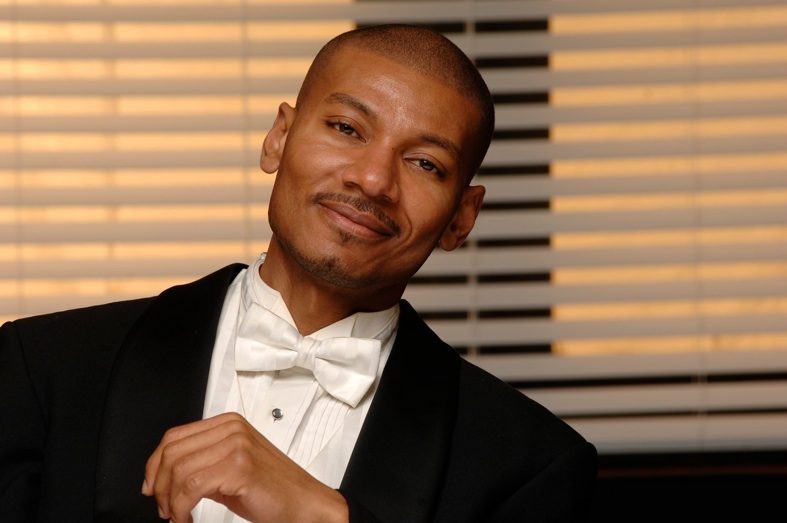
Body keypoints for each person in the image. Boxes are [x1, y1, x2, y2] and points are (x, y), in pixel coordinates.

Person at [0, 25, 596, 522]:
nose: (373, 180)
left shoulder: (530, 465)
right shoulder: (42, 369)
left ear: (461, 218)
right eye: (346, 129)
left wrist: (323, 516)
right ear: (279, 139)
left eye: (424, 163)